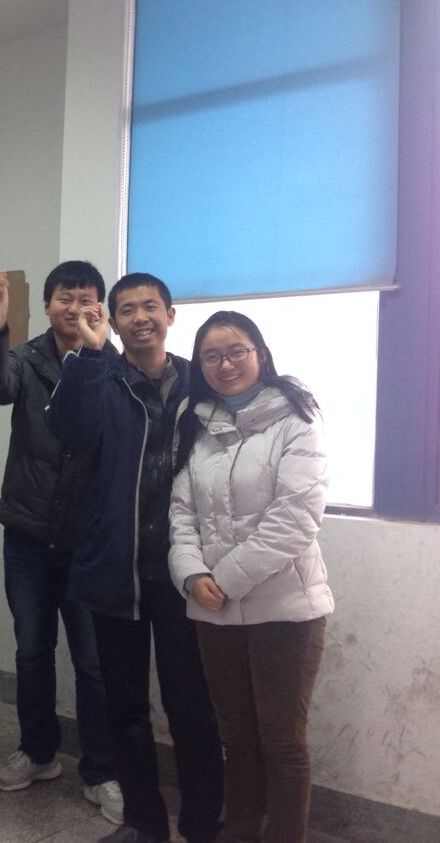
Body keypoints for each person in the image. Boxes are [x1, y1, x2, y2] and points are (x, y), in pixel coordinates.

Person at [46, 273, 224, 843]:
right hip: (115, 569)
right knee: (125, 710)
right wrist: (91, 355)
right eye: (126, 310)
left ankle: (202, 826)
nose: (140, 317)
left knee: (192, 708)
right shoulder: (99, 376)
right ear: (112, 321)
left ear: (170, 315)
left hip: (184, 572)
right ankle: (144, 824)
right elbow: (66, 428)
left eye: (151, 306)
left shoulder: (203, 384)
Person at [169, 311, 332, 843]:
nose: (225, 364)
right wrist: (191, 575)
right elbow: (182, 513)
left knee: (281, 741)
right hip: (213, 609)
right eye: (212, 356)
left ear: (260, 354)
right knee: (235, 737)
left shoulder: (297, 419)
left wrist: (225, 581)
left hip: (285, 609)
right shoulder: (197, 426)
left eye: (236, 351)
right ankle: (238, 833)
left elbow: (296, 518)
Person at [0, 265, 121, 821]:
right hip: (29, 535)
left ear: (101, 309)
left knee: (93, 663)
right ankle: (37, 752)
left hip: (89, 540)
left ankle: (102, 769)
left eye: (87, 299)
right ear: (49, 305)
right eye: (65, 298)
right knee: (32, 652)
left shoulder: (115, 364)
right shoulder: (27, 360)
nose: (75, 308)